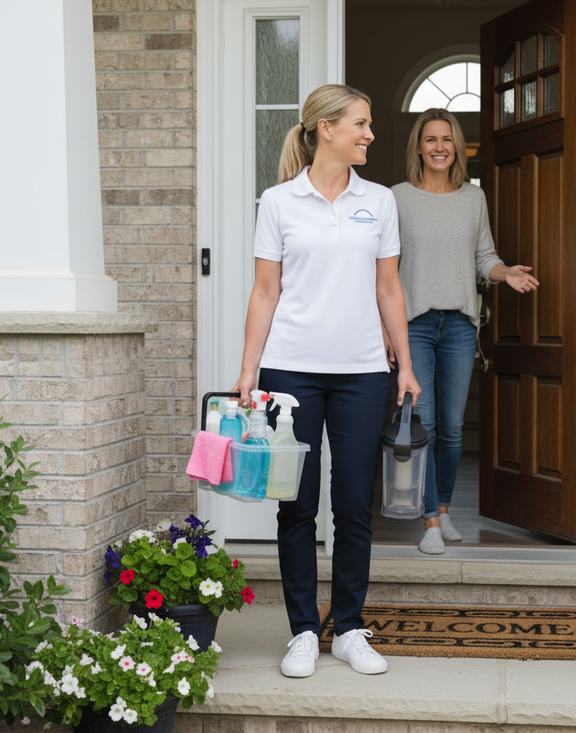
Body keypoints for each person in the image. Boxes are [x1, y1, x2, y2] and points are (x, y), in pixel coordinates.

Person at [231, 84, 421, 679]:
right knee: (296, 505)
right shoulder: (278, 201)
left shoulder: (379, 202)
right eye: (360, 125)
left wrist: (405, 365)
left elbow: (388, 288)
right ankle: (303, 632)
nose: (369, 135)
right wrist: (248, 370)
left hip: (363, 370)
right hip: (291, 371)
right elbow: (266, 292)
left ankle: (350, 628)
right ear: (325, 129)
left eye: (368, 125)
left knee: (354, 506)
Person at [387, 107, 539, 555]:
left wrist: (504, 272)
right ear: (418, 145)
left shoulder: (474, 197)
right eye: (430, 139)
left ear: (458, 147)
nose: (439, 147)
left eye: (447, 139)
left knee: (452, 428)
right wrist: (384, 328)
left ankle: (445, 510)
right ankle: (429, 520)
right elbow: (384, 268)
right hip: (413, 323)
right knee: (426, 424)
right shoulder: (395, 197)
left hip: (458, 324)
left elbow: (483, 256)